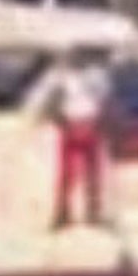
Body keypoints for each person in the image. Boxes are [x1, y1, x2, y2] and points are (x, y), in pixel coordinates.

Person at [45, 55, 110, 230]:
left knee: (84, 173)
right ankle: (69, 213)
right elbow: (51, 103)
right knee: (73, 173)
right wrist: (60, 121)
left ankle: (82, 213)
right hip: (77, 124)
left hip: (84, 123)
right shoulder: (64, 77)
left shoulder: (92, 76)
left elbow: (104, 101)